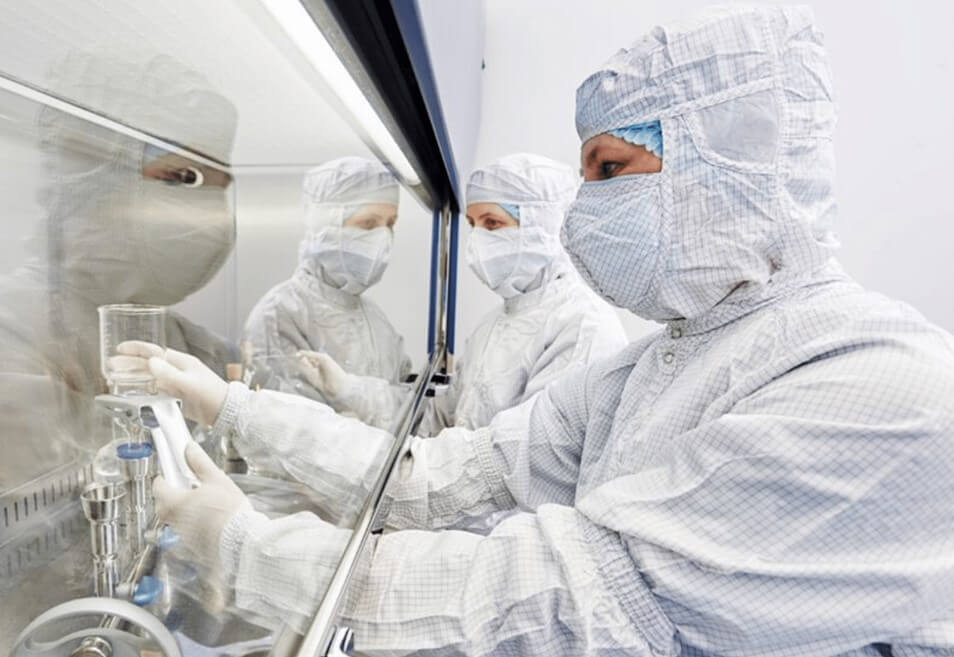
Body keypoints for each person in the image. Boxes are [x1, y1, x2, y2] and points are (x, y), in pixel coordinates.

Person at [141, 6, 954, 656]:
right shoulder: (661, 363)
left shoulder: (873, 383)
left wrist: (244, 547)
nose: (584, 210)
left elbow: (566, 600)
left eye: (607, 170)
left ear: (727, 169)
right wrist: (236, 410)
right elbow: (448, 473)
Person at [0, 52, 238, 652]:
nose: (210, 217)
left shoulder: (190, 342)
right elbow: (36, 537)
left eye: (220, 187)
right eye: (182, 179)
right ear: (91, 176)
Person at [293, 153, 626, 432]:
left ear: (546, 226)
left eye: (492, 223)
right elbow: (437, 418)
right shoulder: (495, 325)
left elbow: (522, 462)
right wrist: (348, 389)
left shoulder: (582, 328)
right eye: (473, 224)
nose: (478, 240)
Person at [242, 156, 410, 400]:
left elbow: (402, 398)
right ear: (325, 226)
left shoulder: (374, 318)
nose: (383, 238)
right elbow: (290, 427)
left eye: (390, 224)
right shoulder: (280, 316)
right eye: (369, 223)